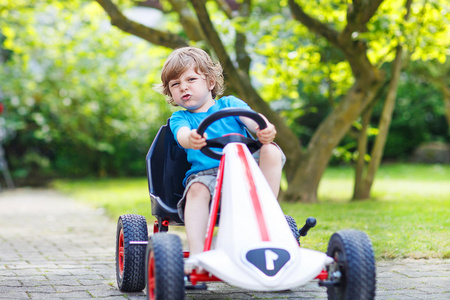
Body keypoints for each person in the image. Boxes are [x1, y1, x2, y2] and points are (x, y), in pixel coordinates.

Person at [156, 47, 285, 271]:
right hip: (206, 176)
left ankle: (266, 211)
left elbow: (254, 120)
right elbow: (181, 135)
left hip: (245, 173)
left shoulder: (230, 104)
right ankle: (197, 254)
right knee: (196, 190)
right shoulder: (181, 117)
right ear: (171, 92)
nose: (183, 86)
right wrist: (191, 138)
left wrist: (263, 129)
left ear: (211, 81)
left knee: (271, 150)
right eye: (175, 84)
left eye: (191, 79)